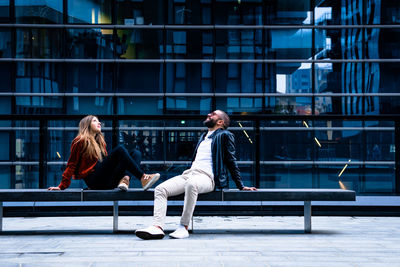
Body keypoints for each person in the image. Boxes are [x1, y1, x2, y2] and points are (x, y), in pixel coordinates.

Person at [135, 110, 257, 240]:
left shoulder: (225, 135)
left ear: (220, 122)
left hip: (207, 177)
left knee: (191, 184)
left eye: (214, 114)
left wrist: (240, 186)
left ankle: (183, 227)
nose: (209, 114)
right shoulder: (204, 136)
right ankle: (157, 228)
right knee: (160, 189)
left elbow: (231, 161)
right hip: (189, 174)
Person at [48, 115, 160, 191]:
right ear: (87, 125)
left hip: (108, 181)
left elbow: (107, 166)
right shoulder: (80, 141)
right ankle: (143, 177)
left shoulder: (100, 143)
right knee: (120, 150)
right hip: (94, 181)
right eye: (94, 120)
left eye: (98, 120)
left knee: (136, 153)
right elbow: (71, 164)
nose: (99, 122)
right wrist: (62, 186)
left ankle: (125, 179)